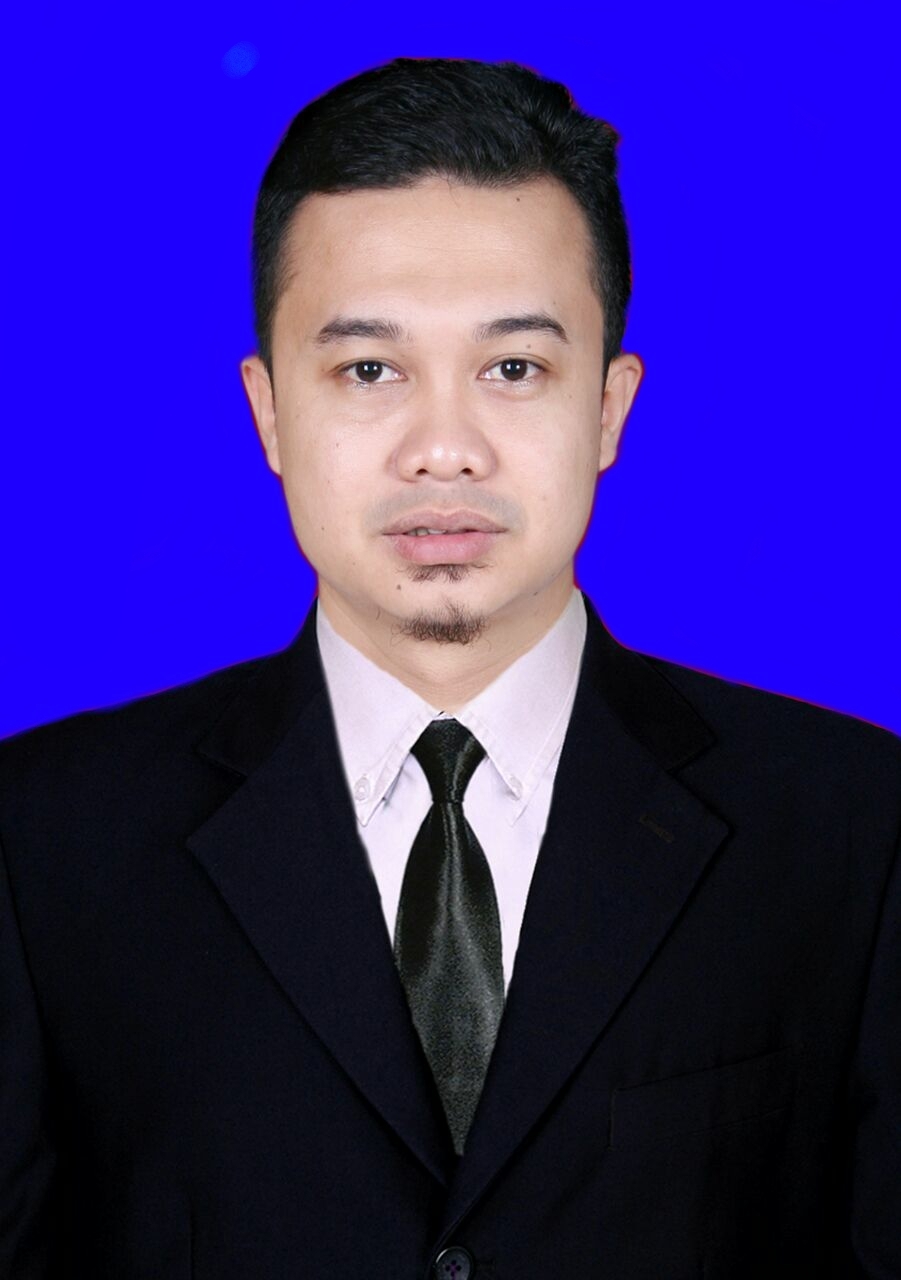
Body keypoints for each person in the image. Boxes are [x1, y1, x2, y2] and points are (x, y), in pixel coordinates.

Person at [1, 56, 898, 1280]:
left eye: (513, 367)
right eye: (368, 369)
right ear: (269, 412)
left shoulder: (851, 826)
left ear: (608, 407)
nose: (442, 448)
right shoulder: (45, 841)